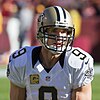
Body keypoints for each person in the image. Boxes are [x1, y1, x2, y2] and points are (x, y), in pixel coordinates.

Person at [7, 6, 94, 100]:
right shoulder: (22, 61)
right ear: (41, 32)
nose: (60, 36)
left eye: (64, 31)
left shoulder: (78, 62)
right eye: (54, 31)